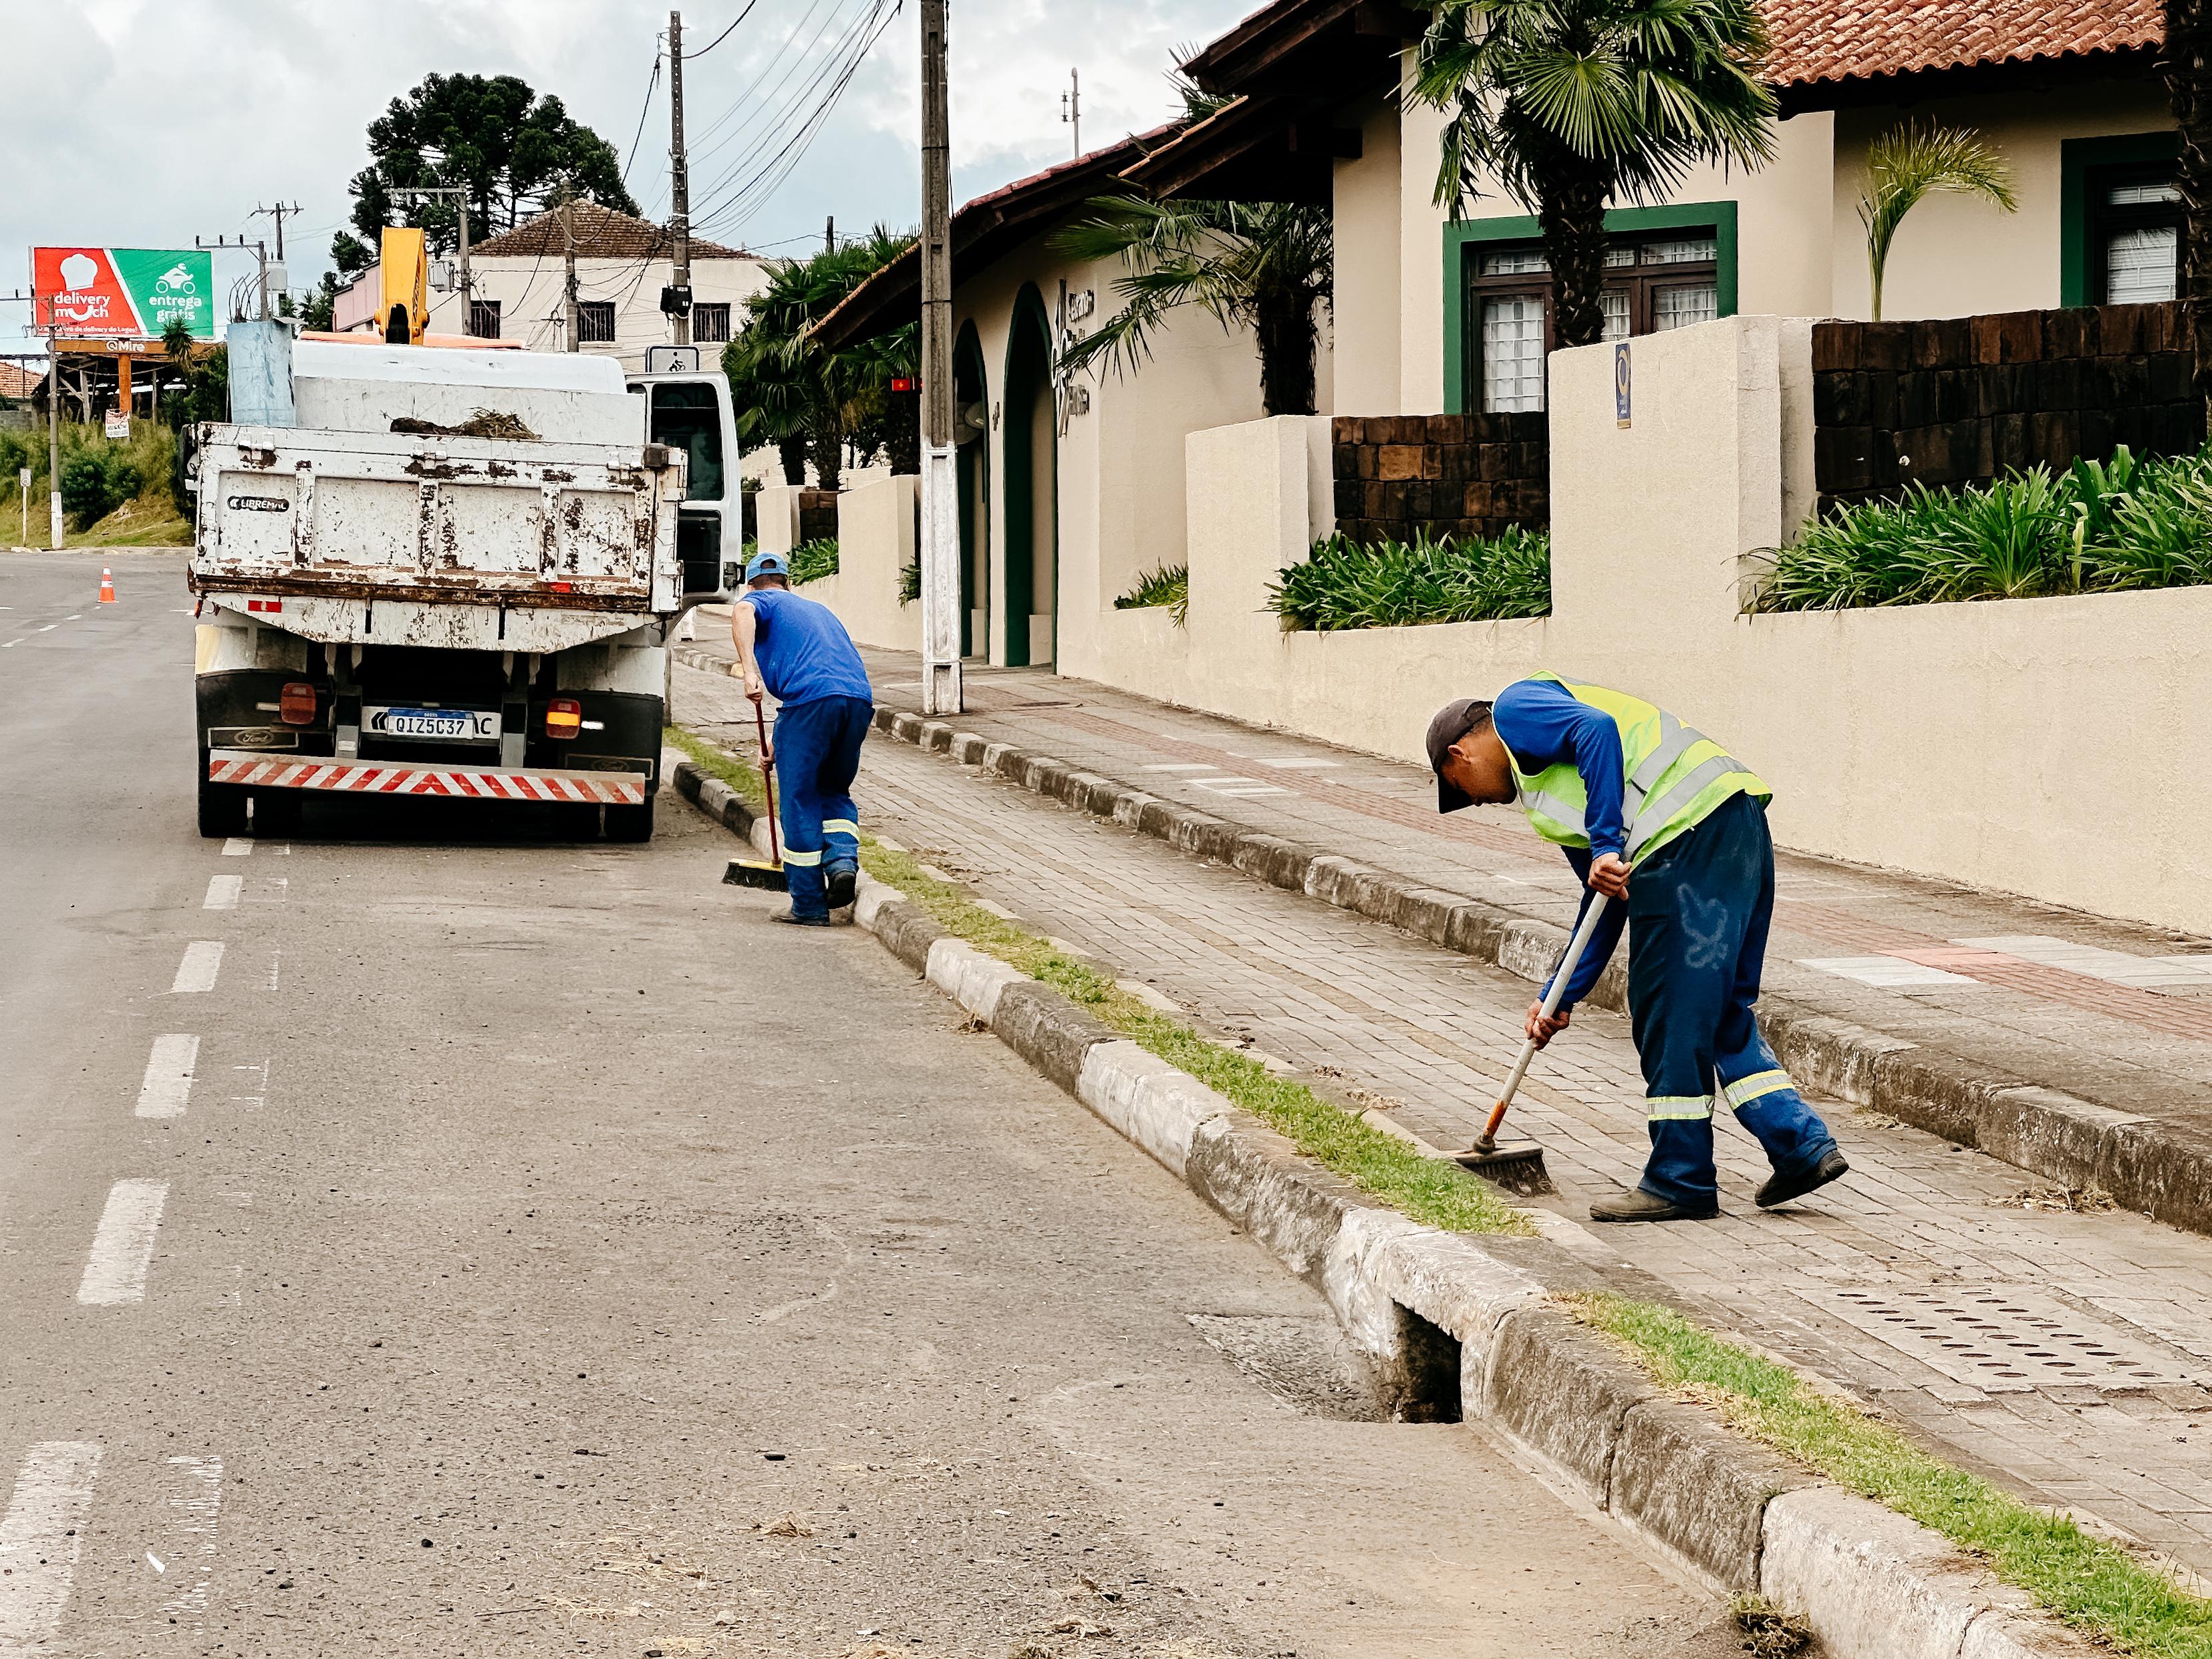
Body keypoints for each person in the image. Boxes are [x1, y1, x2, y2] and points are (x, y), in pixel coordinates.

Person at [1427, 674, 1848, 1223]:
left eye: (1459, 787)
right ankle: (1800, 1145)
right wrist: (1559, 995)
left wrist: (1604, 842)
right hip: (1732, 825)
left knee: (1668, 1011)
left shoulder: (1515, 708)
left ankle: (1681, 1180)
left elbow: (1596, 728)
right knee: (1715, 1013)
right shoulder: (1547, 801)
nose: (1474, 801)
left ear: (1459, 753)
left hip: (1688, 839)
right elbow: (1605, 902)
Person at [730, 549, 875, 926]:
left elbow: (743, 614)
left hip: (810, 702)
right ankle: (842, 862)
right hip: (856, 702)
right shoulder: (818, 610)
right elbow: (817, 687)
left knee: (799, 798)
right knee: (833, 788)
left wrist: (750, 672)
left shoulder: (757, 602)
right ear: (787, 581)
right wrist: (779, 748)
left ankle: (809, 905)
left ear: (751, 584)